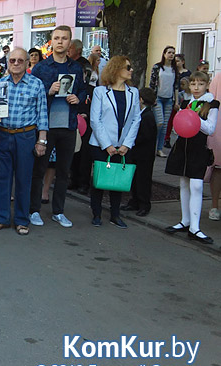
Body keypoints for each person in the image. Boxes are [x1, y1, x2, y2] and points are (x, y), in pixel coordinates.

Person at [0, 48, 48, 235]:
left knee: (24, 179)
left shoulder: (36, 84)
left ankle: (22, 220)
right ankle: (1, 218)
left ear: (27, 62)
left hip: (26, 136)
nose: (15, 63)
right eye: (12, 60)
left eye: (20, 60)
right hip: (2, 135)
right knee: (0, 178)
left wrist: (42, 141)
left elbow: (42, 114)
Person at [29, 25, 86, 228]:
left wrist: (76, 99)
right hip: (46, 126)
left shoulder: (76, 68)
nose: (60, 41)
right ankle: (33, 210)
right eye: (57, 38)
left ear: (70, 42)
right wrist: (48, 91)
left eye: (64, 38)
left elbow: (83, 93)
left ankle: (58, 211)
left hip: (68, 126)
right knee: (39, 169)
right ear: (51, 42)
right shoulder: (42, 67)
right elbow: (31, 96)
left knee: (63, 171)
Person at [164, 71, 217, 244]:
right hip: (183, 147)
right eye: (193, 84)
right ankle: (185, 221)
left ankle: (195, 227)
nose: (196, 87)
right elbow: (179, 126)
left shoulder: (212, 104)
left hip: (198, 149)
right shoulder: (187, 103)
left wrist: (194, 118)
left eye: (200, 84)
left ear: (207, 85)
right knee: (184, 184)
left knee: (196, 185)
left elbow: (210, 129)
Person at [88, 56, 141, 229]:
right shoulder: (100, 92)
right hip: (101, 144)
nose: (131, 70)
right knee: (99, 179)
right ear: (117, 69)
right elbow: (95, 120)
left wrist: (126, 144)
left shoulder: (133, 92)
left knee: (118, 180)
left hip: (123, 145)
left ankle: (115, 214)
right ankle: (96, 213)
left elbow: (136, 120)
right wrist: (107, 145)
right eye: (128, 67)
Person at [122, 87, 157, 217]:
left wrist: (132, 140)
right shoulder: (143, 114)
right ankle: (134, 201)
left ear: (141, 100)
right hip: (138, 154)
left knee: (143, 180)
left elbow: (145, 135)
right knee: (135, 179)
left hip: (144, 155)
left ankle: (144, 204)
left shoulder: (147, 116)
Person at [149, 45, 178, 158]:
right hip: (158, 98)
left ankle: (159, 149)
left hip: (169, 99)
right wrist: (152, 98)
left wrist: (176, 101)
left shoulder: (174, 69)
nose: (171, 55)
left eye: (173, 53)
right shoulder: (157, 67)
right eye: (169, 52)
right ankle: (152, 146)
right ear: (164, 54)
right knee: (159, 123)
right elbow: (152, 83)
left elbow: (176, 85)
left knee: (165, 126)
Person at [208, 72, 221, 221]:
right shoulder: (219, 77)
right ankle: (214, 206)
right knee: (217, 168)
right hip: (219, 128)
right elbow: (213, 101)